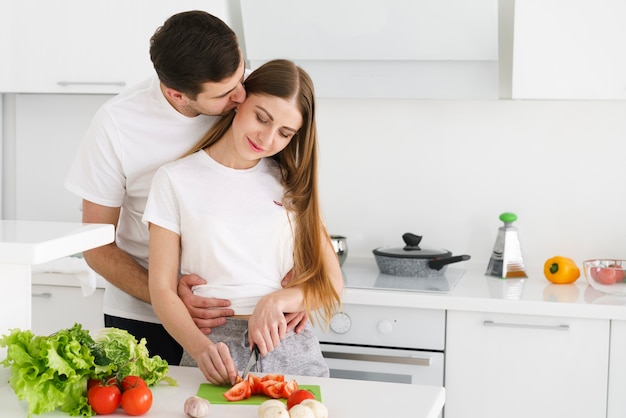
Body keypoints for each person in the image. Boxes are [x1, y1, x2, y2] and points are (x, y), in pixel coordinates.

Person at [65, 10, 305, 365]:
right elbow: (96, 245)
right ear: (177, 95)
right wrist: (166, 297)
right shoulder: (117, 125)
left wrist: (301, 286)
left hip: (234, 318)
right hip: (142, 319)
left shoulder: (250, 99)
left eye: (241, 75)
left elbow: (289, 193)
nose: (241, 95)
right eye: (225, 93)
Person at [144, 59, 344, 385]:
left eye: (284, 132)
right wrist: (200, 348)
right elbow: (162, 289)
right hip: (214, 348)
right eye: (261, 118)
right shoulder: (175, 179)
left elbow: (331, 282)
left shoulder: (291, 183)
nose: (266, 139)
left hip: (291, 344)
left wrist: (276, 300)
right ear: (240, 100)